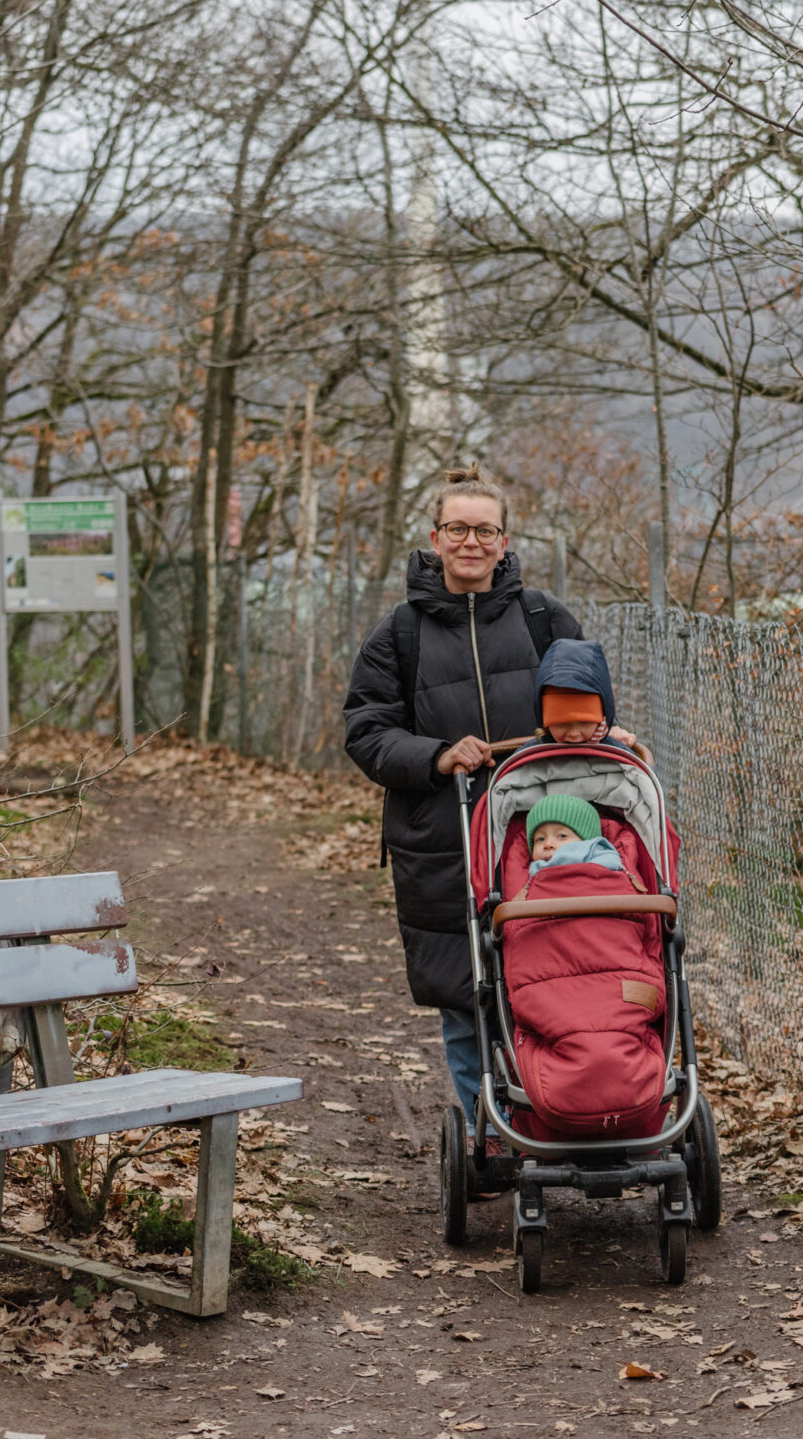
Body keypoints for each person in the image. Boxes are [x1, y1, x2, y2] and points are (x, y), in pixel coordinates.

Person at [342, 464, 581, 1127]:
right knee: (464, 993)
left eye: (484, 530)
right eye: (457, 529)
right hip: (442, 841)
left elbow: (587, 711)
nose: (470, 541)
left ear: (505, 541)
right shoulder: (399, 633)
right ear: (435, 538)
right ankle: (491, 1133)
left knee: (551, 981)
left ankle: (561, 1113)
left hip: (542, 835)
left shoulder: (544, 619)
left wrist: (591, 731)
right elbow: (366, 731)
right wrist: (436, 755)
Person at [526, 795, 625, 877]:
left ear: (589, 844)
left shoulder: (608, 869)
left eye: (562, 836)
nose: (547, 844)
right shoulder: (528, 877)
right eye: (540, 839)